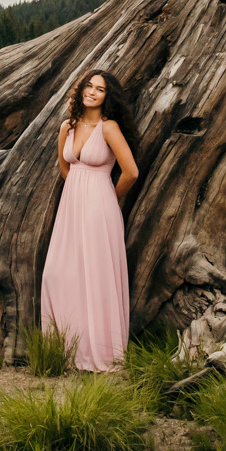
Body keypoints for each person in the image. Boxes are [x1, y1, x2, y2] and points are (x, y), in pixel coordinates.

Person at [40, 68, 140, 371]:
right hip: (71, 207)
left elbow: (131, 171)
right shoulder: (67, 127)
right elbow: (64, 167)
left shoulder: (108, 128)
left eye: (100, 89)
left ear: (107, 97)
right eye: (88, 86)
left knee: (96, 276)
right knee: (58, 274)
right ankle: (67, 349)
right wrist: (77, 190)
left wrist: (108, 195)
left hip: (100, 205)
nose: (92, 92)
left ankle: (101, 353)